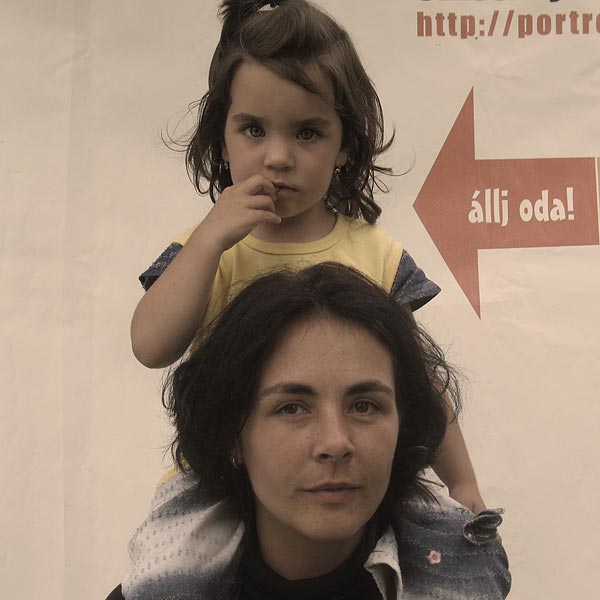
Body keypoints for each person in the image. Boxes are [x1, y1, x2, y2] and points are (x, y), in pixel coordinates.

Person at [130, 0, 486, 514]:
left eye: (307, 133)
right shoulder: (206, 250)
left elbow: (421, 380)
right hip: (222, 490)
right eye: (254, 130)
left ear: (344, 145)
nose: (278, 157)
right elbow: (150, 346)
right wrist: (208, 241)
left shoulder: (376, 254)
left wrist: (462, 481)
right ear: (222, 138)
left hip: (345, 486)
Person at [110, 263, 510, 600]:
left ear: (402, 424)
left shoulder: (465, 580)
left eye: (364, 405)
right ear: (232, 434)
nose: (335, 442)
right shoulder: (158, 588)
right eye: (292, 408)